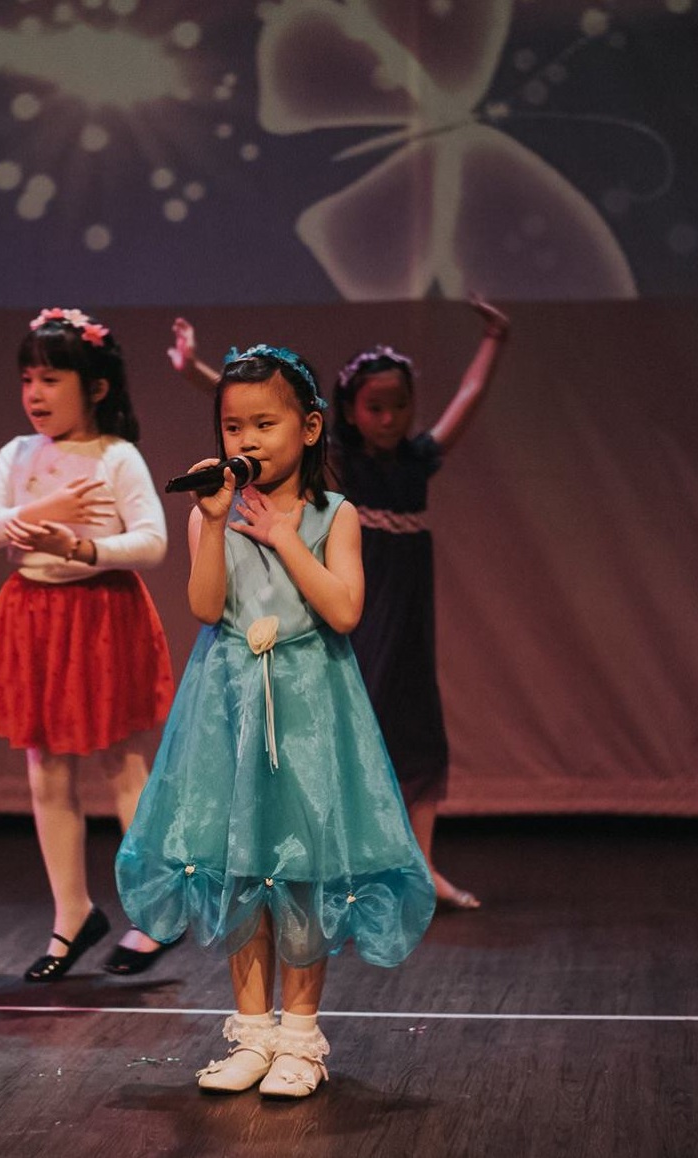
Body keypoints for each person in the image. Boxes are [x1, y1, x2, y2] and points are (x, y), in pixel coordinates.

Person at [116, 345, 434, 1099]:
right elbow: (205, 607)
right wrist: (213, 524)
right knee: (239, 866)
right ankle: (251, 1033)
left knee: (298, 868)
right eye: (233, 427)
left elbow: (344, 610)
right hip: (228, 704)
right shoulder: (213, 515)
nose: (247, 440)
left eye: (265, 423)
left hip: (308, 709)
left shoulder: (334, 514)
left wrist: (285, 538)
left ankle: (299, 1038)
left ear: (310, 427)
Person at [168, 300, 509, 910]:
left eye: (399, 405)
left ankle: (419, 862)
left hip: (395, 603)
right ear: (346, 412)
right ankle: (339, 862)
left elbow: (469, 396)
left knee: (414, 724)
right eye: (375, 406)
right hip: (328, 614)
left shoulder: (399, 471)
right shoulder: (332, 469)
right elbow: (261, 412)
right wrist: (197, 369)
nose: (389, 418)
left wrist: (495, 340)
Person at [0, 307, 176, 981]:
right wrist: (42, 513)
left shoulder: (116, 456)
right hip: (33, 615)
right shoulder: (16, 454)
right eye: (27, 378)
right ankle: (72, 914)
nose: (34, 393)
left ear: (96, 387)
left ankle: (154, 912)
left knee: (122, 764)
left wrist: (82, 548)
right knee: (47, 771)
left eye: (50, 379)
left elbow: (153, 541)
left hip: (100, 614)